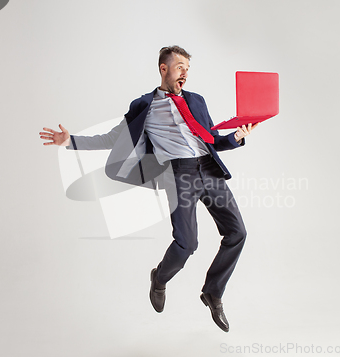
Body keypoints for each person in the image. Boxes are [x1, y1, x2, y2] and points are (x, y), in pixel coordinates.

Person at [39, 45, 258, 332]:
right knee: (187, 243)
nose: (185, 73)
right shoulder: (144, 106)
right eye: (180, 67)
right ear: (163, 68)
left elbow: (212, 139)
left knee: (237, 233)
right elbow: (112, 138)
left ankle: (213, 292)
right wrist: (71, 141)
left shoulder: (197, 100)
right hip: (180, 174)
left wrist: (237, 138)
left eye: (188, 69)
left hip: (209, 169)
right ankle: (160, 278)